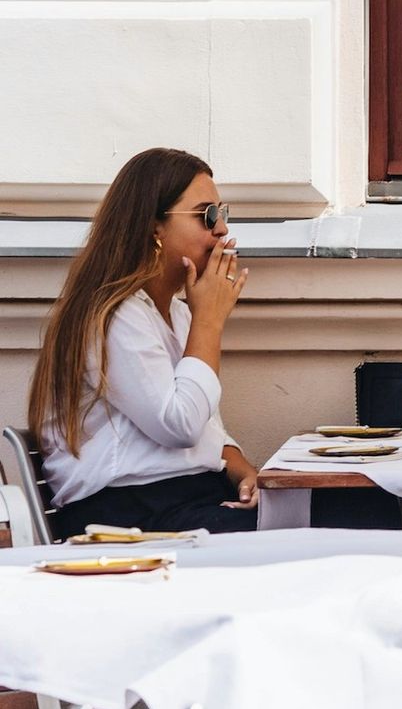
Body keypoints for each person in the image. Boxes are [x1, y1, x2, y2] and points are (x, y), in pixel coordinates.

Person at [28, 148, 259, 537]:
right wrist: (210, 321)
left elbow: (206, 430)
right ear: (154, 228)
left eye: (223, 214)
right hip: (125, 515)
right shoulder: (113, 314)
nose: (221, 230)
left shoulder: (180, 313)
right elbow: (179, 425)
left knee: (333, 511)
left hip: (187, 501)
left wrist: (245, 472)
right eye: (207, 215)